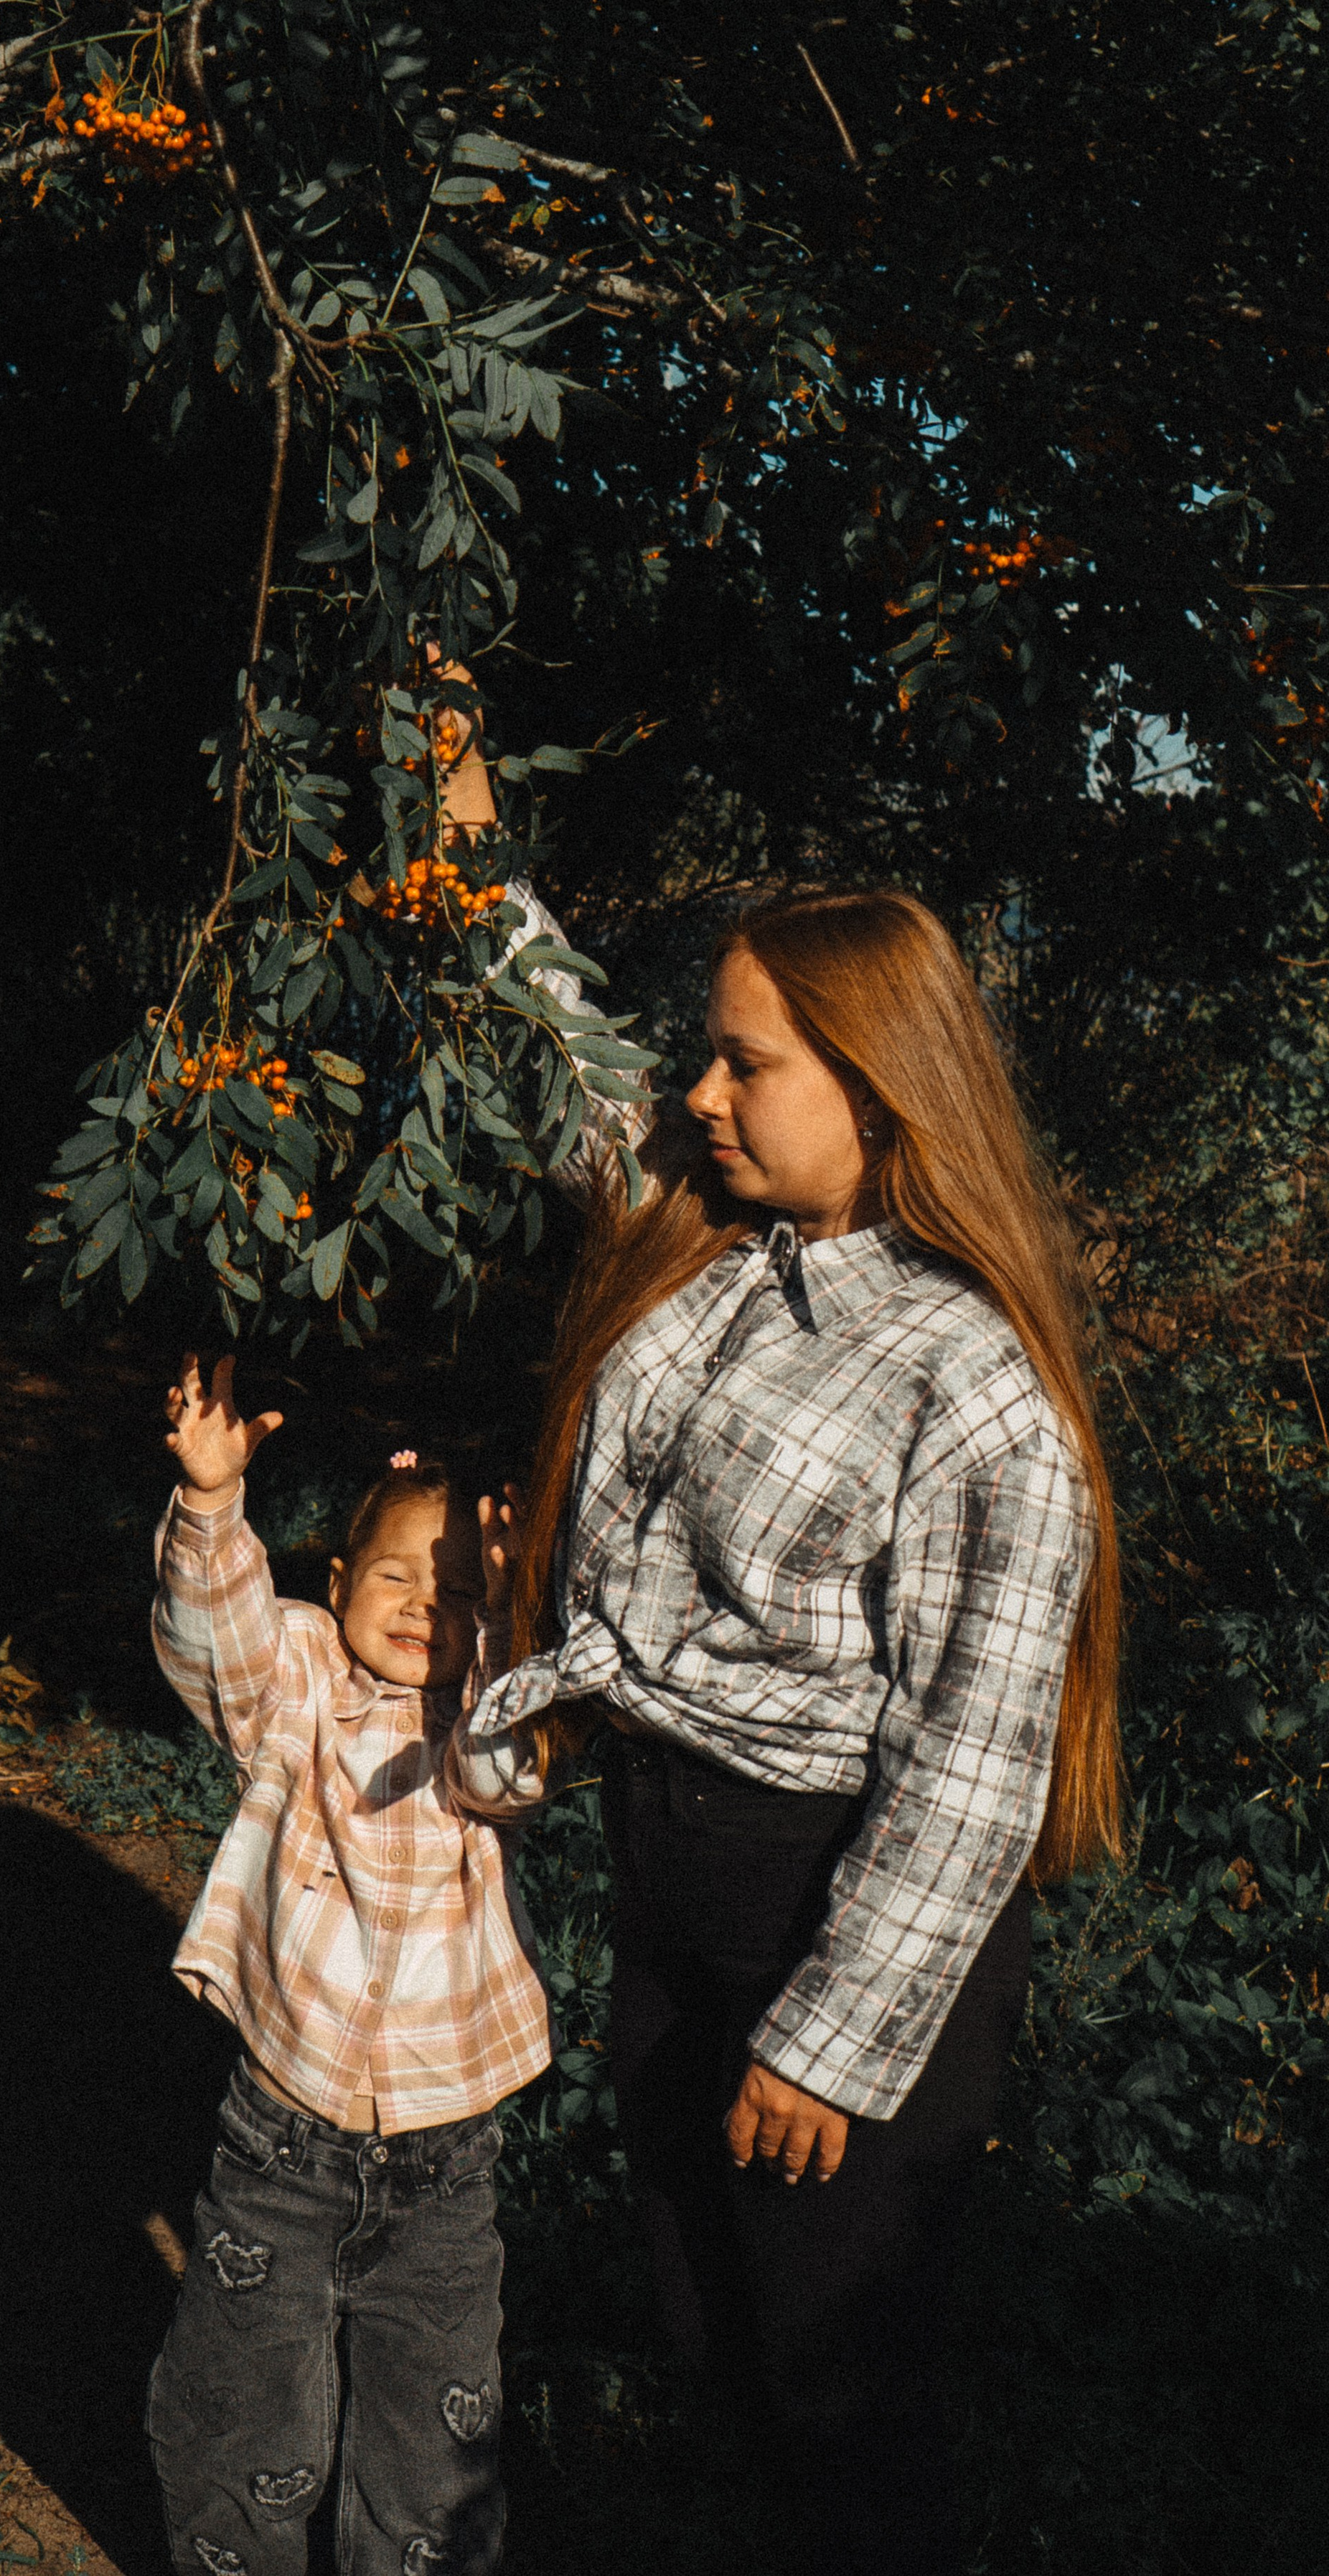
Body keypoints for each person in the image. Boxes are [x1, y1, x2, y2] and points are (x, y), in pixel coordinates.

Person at [442, 746, 1121, 2575]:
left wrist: (826, 2048)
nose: (698, 1091)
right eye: (709, 1051)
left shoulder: (966, 1384)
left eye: (746, 1061)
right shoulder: (716, 1240)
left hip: (831, 1900)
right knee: (709, 2326)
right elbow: (566, 1061)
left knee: (838, 2391)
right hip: (675, 1869)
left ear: (878, 1086)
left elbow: (972, 1769)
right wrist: (462, 829)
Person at [145, 1354, 549, 2576]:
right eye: (399, 1577)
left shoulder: (489, 1724)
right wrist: (213, 1504)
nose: (431, 1606)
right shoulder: (303, 1682)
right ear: (337, 1583)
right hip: (281, 2141)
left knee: (433, 2450)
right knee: (238, 2407)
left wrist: (517, 1617)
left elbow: (502, 1771)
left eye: (467, 1592)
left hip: (446, 2160)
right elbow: (220, 1652)